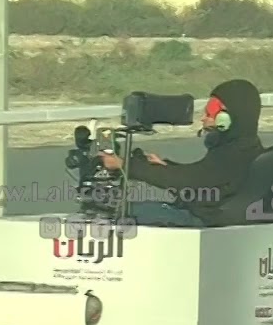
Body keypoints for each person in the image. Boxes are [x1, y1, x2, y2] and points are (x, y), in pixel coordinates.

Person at [100, 78, 264, 227]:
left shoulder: (234, 154)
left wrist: (124, 165)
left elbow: (187, 182)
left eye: (209, 113)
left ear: (226, 118)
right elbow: (199, 175)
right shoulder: (243, 146)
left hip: (203, 219)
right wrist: (165, 166)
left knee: (118, 213)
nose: (203, 118)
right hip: (209, 214)